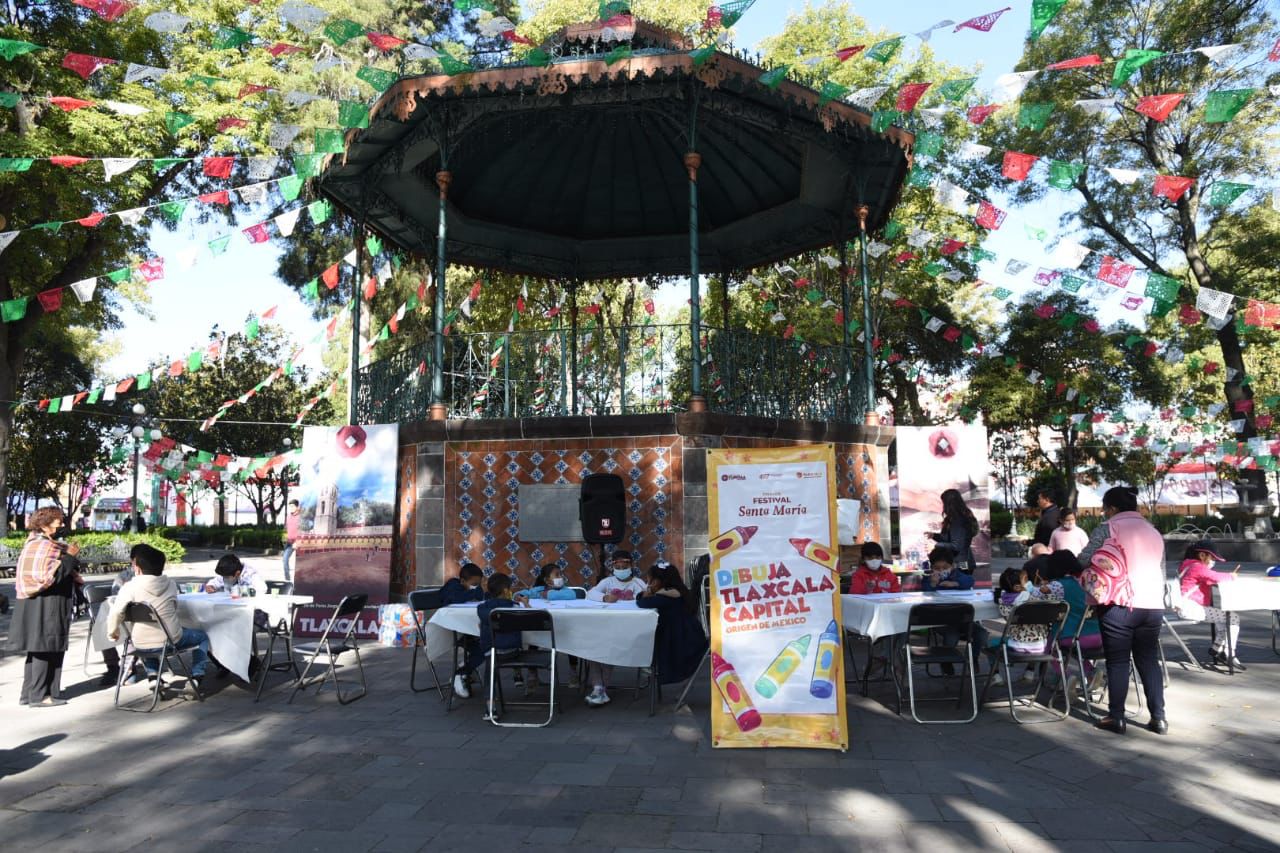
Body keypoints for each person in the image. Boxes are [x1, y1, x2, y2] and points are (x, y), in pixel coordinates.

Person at [1080, 486, 1168, 736]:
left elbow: (1084, 559)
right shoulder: (1153, 531)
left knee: (1118, 661)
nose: (1104, 513)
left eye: (1105, 509)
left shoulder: (1108, 528)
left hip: (1118, 603)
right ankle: (1159, 718)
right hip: (1152, 604)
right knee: (1148, 660)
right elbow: (1161, 570)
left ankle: (1116, 717)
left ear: (1112, 508)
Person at [107, 543, 210, 691]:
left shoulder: (128, 587)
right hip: (170, 642)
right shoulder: (171, 584)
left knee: (147, 635)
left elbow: (116, 612)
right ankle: (196, 676)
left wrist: (113, 633)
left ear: (137, 568)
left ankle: (154, 677)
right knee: (202, 637)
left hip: (139, 644)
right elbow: (174, 608)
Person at [6, 507, 82, 707]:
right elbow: (51, 577)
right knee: (45, 647)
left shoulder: (36, 543)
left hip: (37, 603)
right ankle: (41, 695)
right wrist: (70, 556)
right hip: (47, 604)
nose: (61, 524)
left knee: (38, 648)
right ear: (45, 524)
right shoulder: (43, 546)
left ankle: (29, 693)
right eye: (57, 521)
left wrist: (67, 557)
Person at [451, 573, 527, 702]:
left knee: (490, 664)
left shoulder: (482, 608)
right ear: (506, 591)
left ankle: (489, 701)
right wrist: (526, 604)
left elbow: (481, 626)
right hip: (512, 651)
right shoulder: (514, 606)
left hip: (489, 651)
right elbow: (528, 620)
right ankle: (517, 674)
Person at [1041, 549, 1103, 696]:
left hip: (1074, 636)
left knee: (1050, 647)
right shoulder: (1086, 581)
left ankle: (1067, 677)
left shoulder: (1058, 585)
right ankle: (1091, 672)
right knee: (1073, 650)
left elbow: (1036, 595)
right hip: (1099, 635)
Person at [637, 562, 708, 685]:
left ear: (656, 581)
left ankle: (652, 667)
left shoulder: (666, 597)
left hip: (682, 642)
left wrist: (646, 594)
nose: (648, 583)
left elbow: (642, 603)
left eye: (649, 580)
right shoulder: (678, 591)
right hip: (690, 635)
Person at [1177, 540, 1243, 670]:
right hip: (1192, 608)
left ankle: (1216, 649)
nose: (1213, 561)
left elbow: (1205, 578)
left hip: (1186, 606)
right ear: (1202, 555)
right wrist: (1232, 576)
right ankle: (1229, 653)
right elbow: (1215, 577)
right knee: (1233, 618)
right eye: (1212, 558)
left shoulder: (1187, 565)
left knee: (1222, 618)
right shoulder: (1197, 567)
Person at [930, 488, 978, 568]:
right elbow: (952, 539)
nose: (943, 506)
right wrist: (934, 536)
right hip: (962, 562)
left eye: (944, 503)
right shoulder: (957, 518)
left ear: (949, 503)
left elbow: (956, 546)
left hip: (960, 564)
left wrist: (937, 545)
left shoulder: (958, 520)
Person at [282, 500, 301, 581]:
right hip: (288, 543)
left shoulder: (301, 517)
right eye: (290, 506)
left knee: (301, 562)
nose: (291, 508)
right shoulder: (288, 517)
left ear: (297, 507)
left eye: (293, 506)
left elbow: (303, 530)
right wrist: (283, 539)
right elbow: (285, 529)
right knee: (285, 560)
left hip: (297, 543)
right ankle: (287, 580)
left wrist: (297, 542)